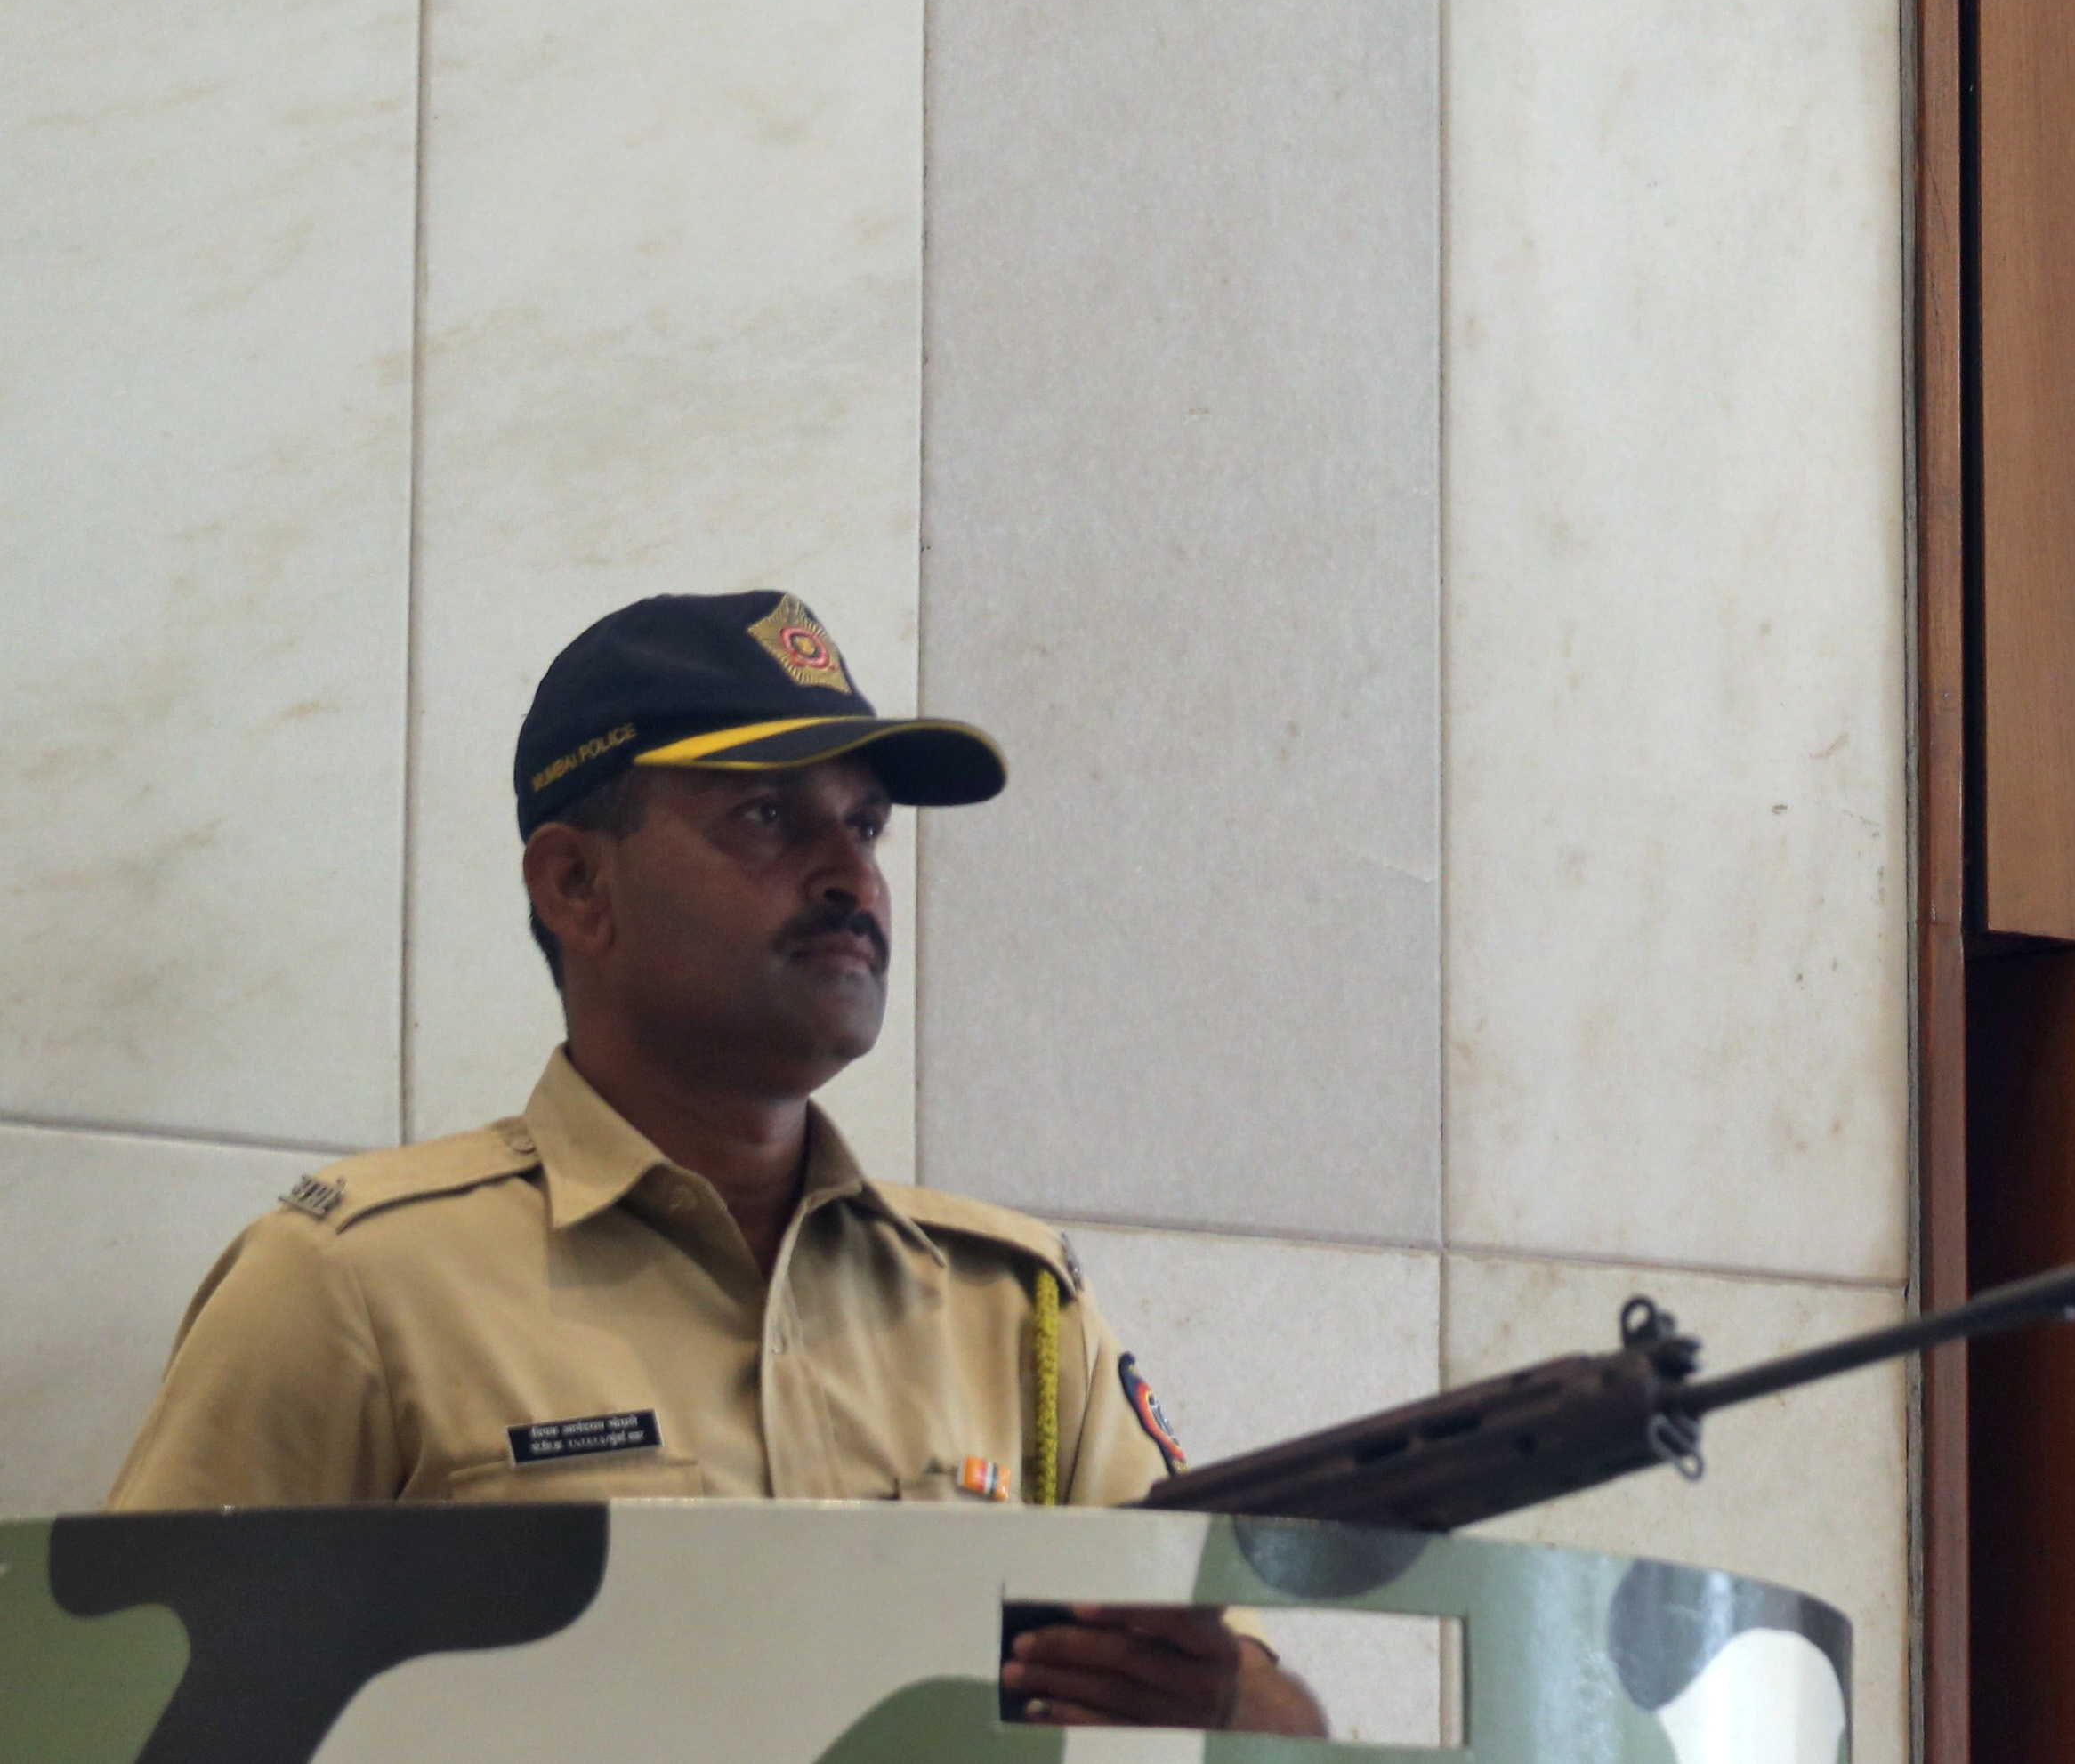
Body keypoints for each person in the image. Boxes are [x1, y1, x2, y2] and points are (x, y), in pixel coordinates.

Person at [106, 590, 1323, 1736]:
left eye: (865, 826)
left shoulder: (1017, 1312)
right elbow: (117, 1715)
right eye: (766, 818)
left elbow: (1281, 1724)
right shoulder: (356, 1285)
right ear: (578, 884)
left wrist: (1213, 1699)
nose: (851, 876)